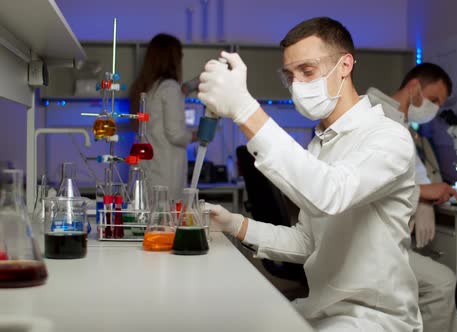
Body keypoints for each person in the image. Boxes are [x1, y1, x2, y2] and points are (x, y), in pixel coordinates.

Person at [198, 17, 422, 332]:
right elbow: (308, 242)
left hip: (372, 319)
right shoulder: (321, 143)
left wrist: (245, 109)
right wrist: (236, 224)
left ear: (345, 65)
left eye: (308, 71)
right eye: (291, 76)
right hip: (320, 310)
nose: (298, 85)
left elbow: (330, 194)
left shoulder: (388, 137)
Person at [367, 63, 457, 332]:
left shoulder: (402, 126)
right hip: (371, 243)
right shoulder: (377, 120)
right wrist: (422, 192)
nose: (434, 108)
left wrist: (422, 195)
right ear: (414, 87)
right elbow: (364, 186)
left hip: (388, 237)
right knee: (443, 284)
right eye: (433, 100)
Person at [129, 33, 195, 201]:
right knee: (165, 223)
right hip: (166, 176)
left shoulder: (146, 87)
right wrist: (199, 134)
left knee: (147, 222)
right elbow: (175, 134)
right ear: (173, 59)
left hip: (147, 170)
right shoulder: (170, 87)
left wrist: (186, 89)